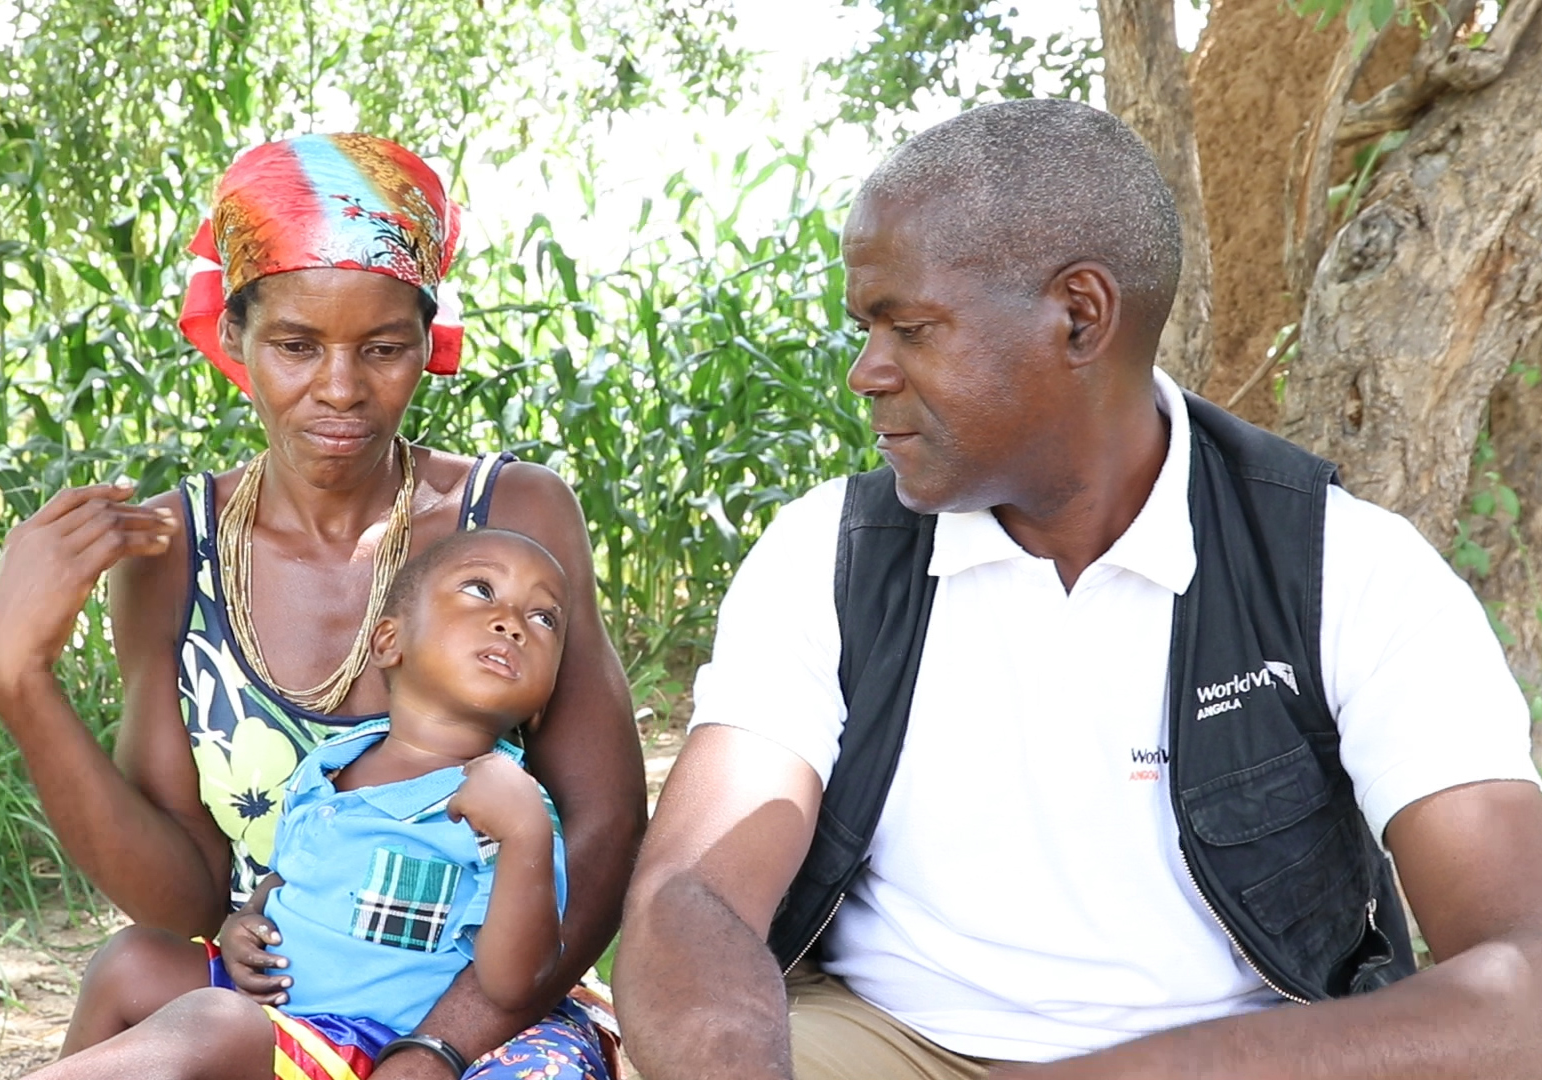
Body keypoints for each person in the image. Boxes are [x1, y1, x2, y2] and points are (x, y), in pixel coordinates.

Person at [614, 99, 1542, 1080]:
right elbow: (691, 897)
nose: (865, 372)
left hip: (1232, 1060)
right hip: (888, 1046)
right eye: (866, 327)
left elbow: (1521, 987)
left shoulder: (1346, 572)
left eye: (911, 327)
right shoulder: (827, 556)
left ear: (1079, 315)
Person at [0, 133, 645, 1080]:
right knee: (134, 968)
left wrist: (437, 1047)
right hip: (282, 995)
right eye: (294, 344)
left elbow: (606, 825)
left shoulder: (509, 521)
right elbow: (186, 897)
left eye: (382, 348)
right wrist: (19, 684)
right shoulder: (173, 553)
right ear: (234, 336)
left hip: (478, 1001)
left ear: (426, 343)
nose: (340, 389)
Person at [25, 527, 608, 1080]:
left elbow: (513, 983)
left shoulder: (505, 804)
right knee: (130, 958)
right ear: (389, 641)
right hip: (273, 1003)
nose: (511, 623)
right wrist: (245, 923)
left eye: (543, 618)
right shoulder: (333, 763)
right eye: (481, 590)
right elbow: (293, 873)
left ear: (542, 700)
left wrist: (526, 834)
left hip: (361, 1043)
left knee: (215, 1023)